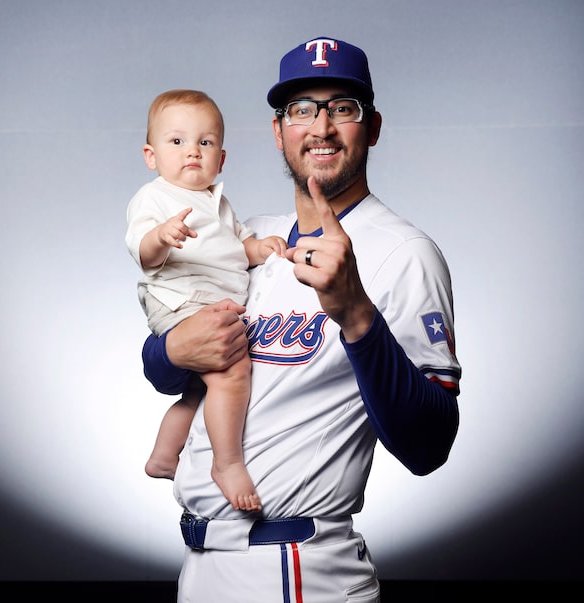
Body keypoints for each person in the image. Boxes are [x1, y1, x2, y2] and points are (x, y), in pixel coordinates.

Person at [140, 38, 461, 601]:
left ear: (373, 127)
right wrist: (171, 351)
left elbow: (429, 445)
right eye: (302, 109)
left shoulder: (403, 252)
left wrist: (357, 315)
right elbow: (167, 366)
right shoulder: (247, 237)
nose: (322, 127)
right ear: (278, 130)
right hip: (199, 565)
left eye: (343, 107)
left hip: (297, 568)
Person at [125, 89, 287, 513]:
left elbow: (240, 247)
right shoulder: (155, 197)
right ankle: (227, 463)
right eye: (176, 142)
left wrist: (262, 249)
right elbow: (142, 252)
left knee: (200, 392)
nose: (192, 152)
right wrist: (160, 237)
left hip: (210, 301)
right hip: (182, 299)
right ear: (151, 155)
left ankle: (164, 456)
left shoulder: (220, 202)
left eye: (205, 142)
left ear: (221, 157)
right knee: (232, 373)